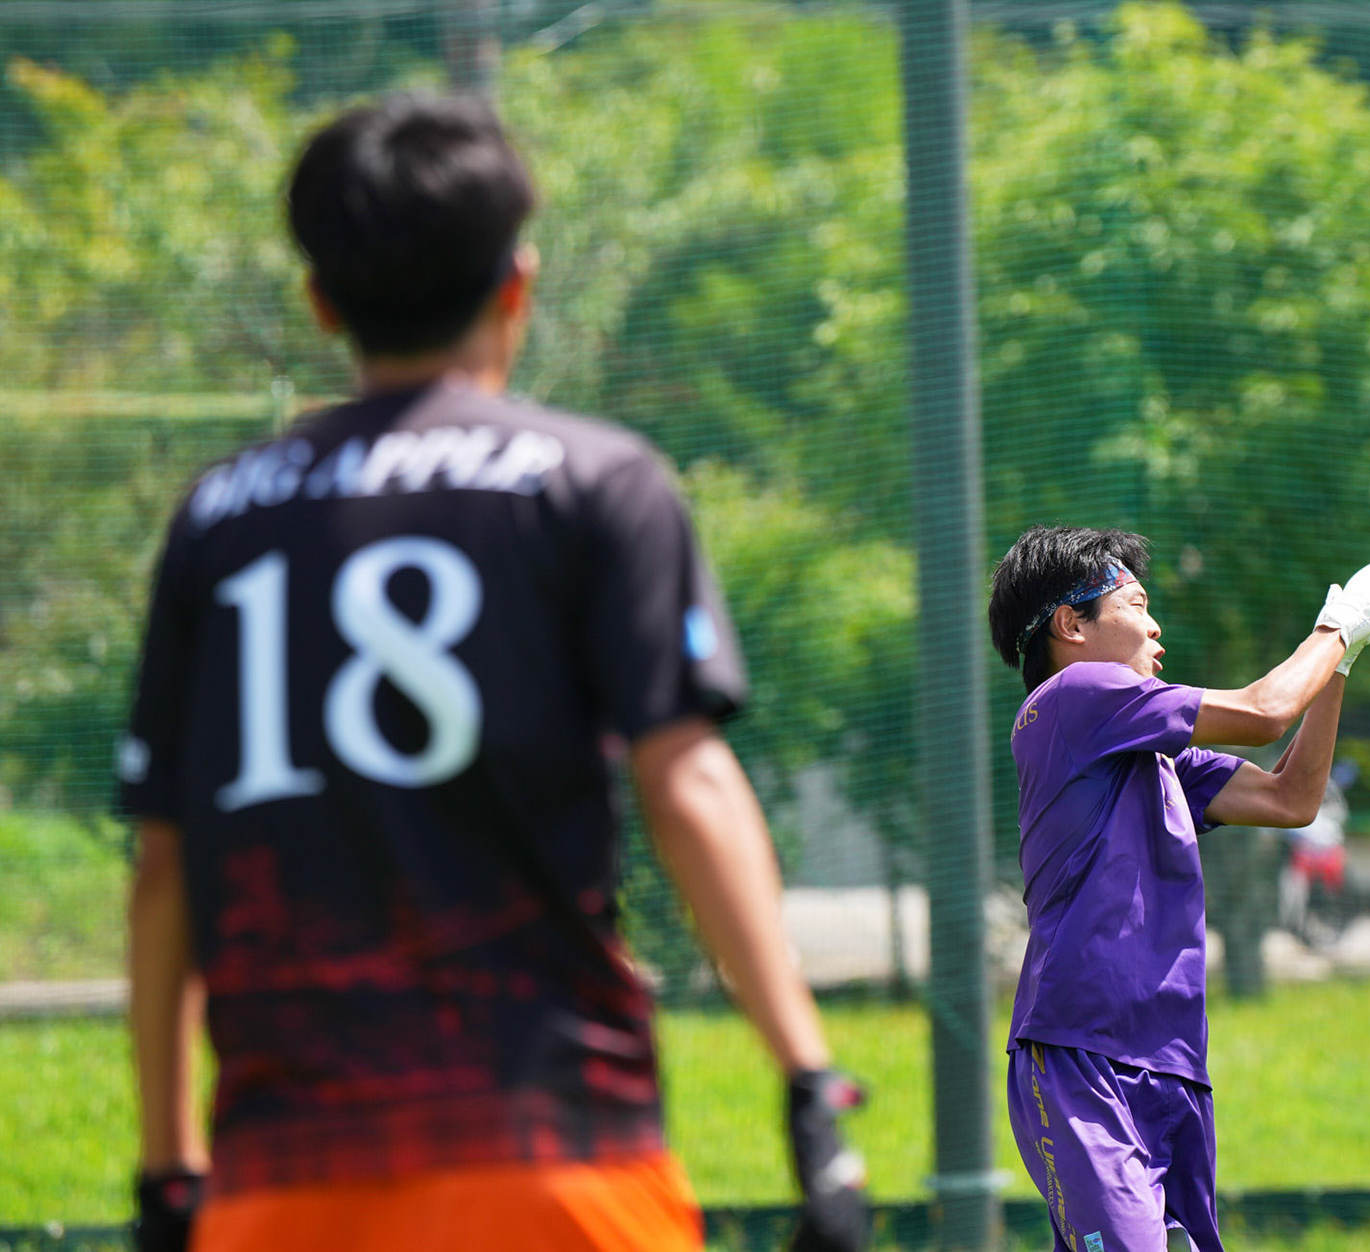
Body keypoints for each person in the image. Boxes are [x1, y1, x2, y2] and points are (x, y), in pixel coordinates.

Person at [121, 94, 866, 1252]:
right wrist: (808, 1080)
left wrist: (171, 1170)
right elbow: (688, 782)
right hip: (554, 1159)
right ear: (518, 283)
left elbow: (165, 867)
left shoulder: (216, 520)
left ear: (321, 302)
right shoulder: (596, 481)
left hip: (284, 1180)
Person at [985, 526, 1370, 1252]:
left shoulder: (1147, 757)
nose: (1157, 626)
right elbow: (1264, 711)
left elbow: (1291, 799)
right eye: (1136, 604)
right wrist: (1336, 629)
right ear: (1071, 624)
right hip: (1082, 1058)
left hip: (1172, 1066)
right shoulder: (1075, 694)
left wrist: (1339, 667)